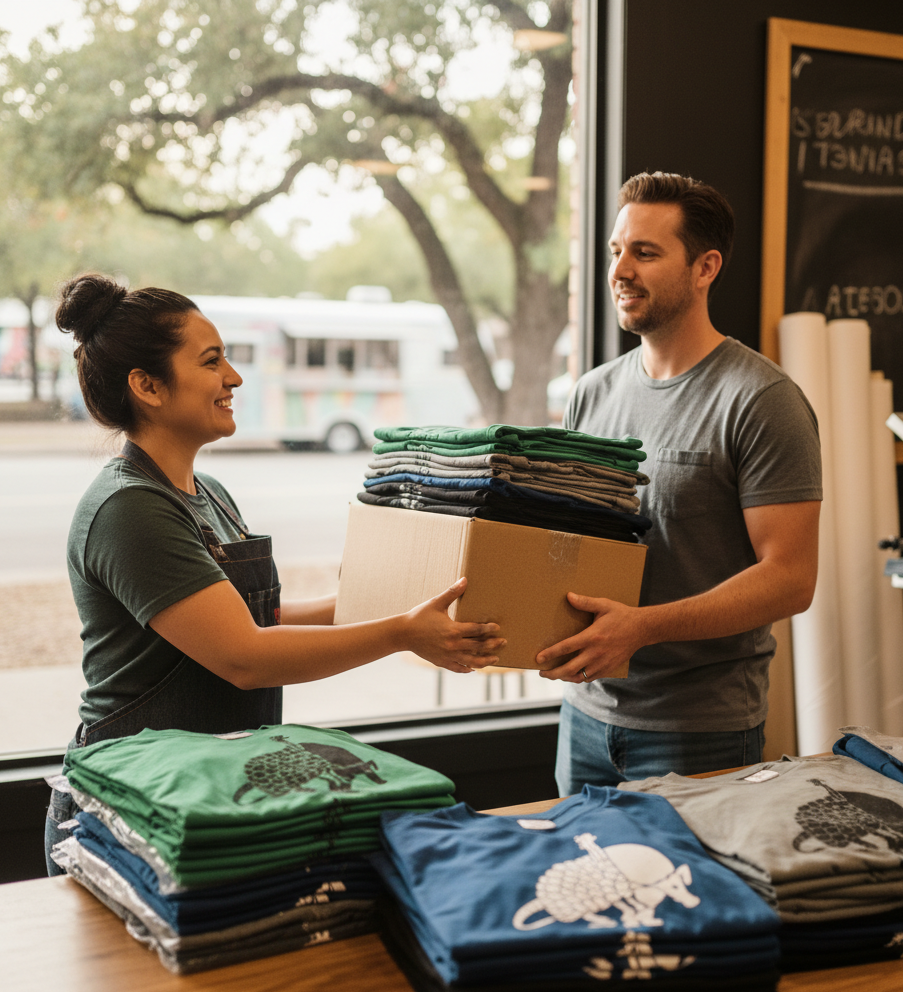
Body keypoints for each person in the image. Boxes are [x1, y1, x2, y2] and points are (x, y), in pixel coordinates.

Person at [44, 273, 504, 873]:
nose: (234, 378)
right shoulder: (129, 509)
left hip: (203, 787)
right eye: (212, 362)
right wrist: (399, 633)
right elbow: (245, 656)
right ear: (147, 385)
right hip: (127, 809)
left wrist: (385, 598)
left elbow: (264, 619)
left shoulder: (208, 492)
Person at [536, 172, 822, 794]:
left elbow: (791, 580)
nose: (620, 270)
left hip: (700, 729)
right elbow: (574, 539)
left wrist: (644, 626)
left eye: (645, 252)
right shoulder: (592, 393)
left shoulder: (762, 399)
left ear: (704, 267)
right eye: (616, 251)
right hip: (583, 715)